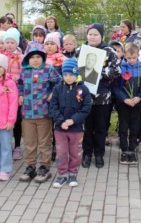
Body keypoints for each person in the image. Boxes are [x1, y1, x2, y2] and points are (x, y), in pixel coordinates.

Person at [18, 42, 61, 183]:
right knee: (29, 142)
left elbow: (59, 82)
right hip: (27, 113)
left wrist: (53, 93)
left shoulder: (49, 69)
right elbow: (20, 84)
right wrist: (20, 94)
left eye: (38, 56)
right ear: (27, 58)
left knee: (44, 142)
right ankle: (30, 166)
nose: (35, 59)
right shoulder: (24, 71)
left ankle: (45, 167)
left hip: (43, 113)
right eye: (32, 57)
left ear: (43, 57)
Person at [81, 23, 120, 169]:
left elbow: (116, 71)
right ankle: (86, 153)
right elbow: (74, 70)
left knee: (101, 127)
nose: (92, 36)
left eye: (95, 34)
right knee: (87, 127)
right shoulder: (81, 50)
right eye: (90, 34)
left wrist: (97, 73)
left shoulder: (109, 51)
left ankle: (99, 154)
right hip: (84, 97)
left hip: (103, 97)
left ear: (101, 36)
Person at [50, 58, 92, 188]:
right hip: (60, 129)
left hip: (76, 129)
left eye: (72, 75)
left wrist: (73, 120)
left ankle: (73, 173)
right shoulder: (57, 89)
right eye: (66, 75)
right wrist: (61, 121)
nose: (68, 78)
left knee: (75, 152)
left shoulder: (83, 89)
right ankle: (62, 174)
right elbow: (53, 107)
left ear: (77, 74)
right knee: (61, 152)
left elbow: (86, 108)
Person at [113, 43, 141, 165]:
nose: (131, 60)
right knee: (123, 126)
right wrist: (124, 99)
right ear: (125, 55)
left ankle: (132, 149)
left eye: (134, 57)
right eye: (129, 58)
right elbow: (115, 88)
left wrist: (138, 97)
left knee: (134, 126)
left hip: (136, 102)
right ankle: (124, 149)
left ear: (138, 55)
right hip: (123, 103)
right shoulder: (120, 68)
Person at [0, 28, 24, 161]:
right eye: (7, 42)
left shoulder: (21, 57)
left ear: (17, 43)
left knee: (17, 120)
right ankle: (6, 145)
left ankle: (18, 146)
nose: (9, 44)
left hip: (16, 92)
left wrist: (21, 93)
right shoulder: (0, 56)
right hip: (3, 94)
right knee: (5, 120)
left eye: (12, 42)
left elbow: (23, 75)